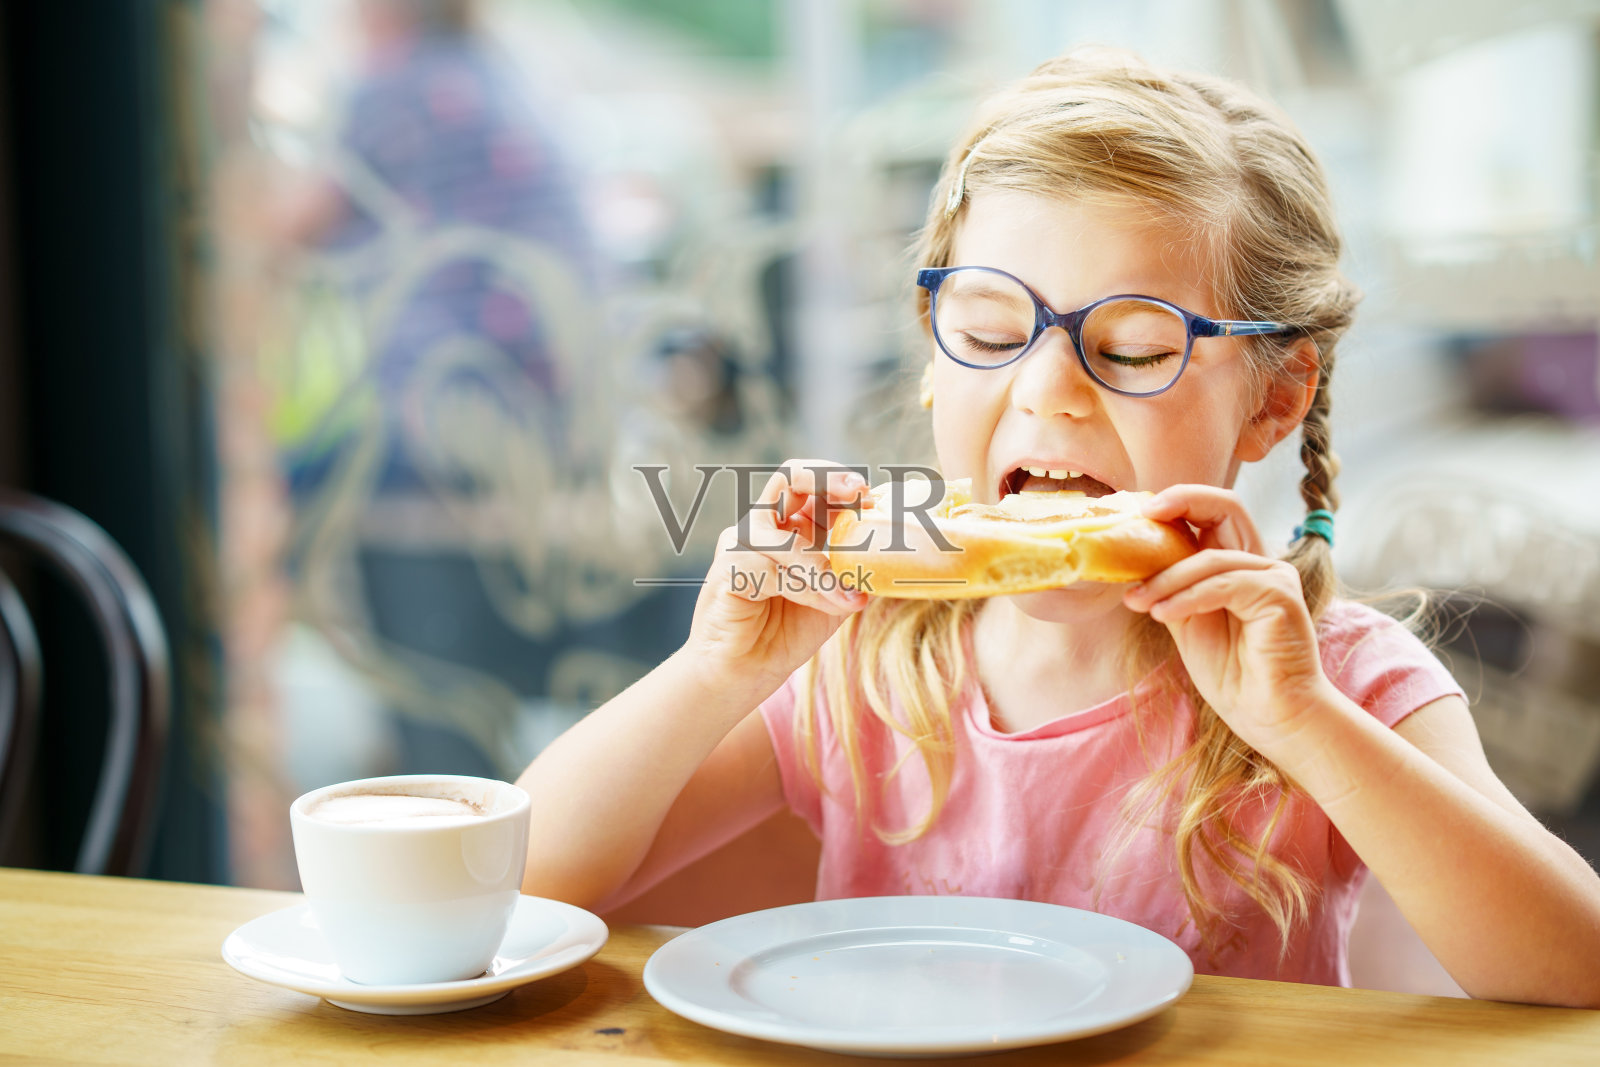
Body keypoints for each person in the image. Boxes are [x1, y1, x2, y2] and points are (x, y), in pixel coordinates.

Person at [515, 47, 1600, 1004]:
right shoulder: (864, 658)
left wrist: (1307, 722)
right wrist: (710, 671)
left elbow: (1575, 966)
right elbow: (515, 884)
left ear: (1272, 399)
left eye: (1131, 350)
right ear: (933, 355)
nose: (1049, 389)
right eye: (988, 329)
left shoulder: (1333, 673)